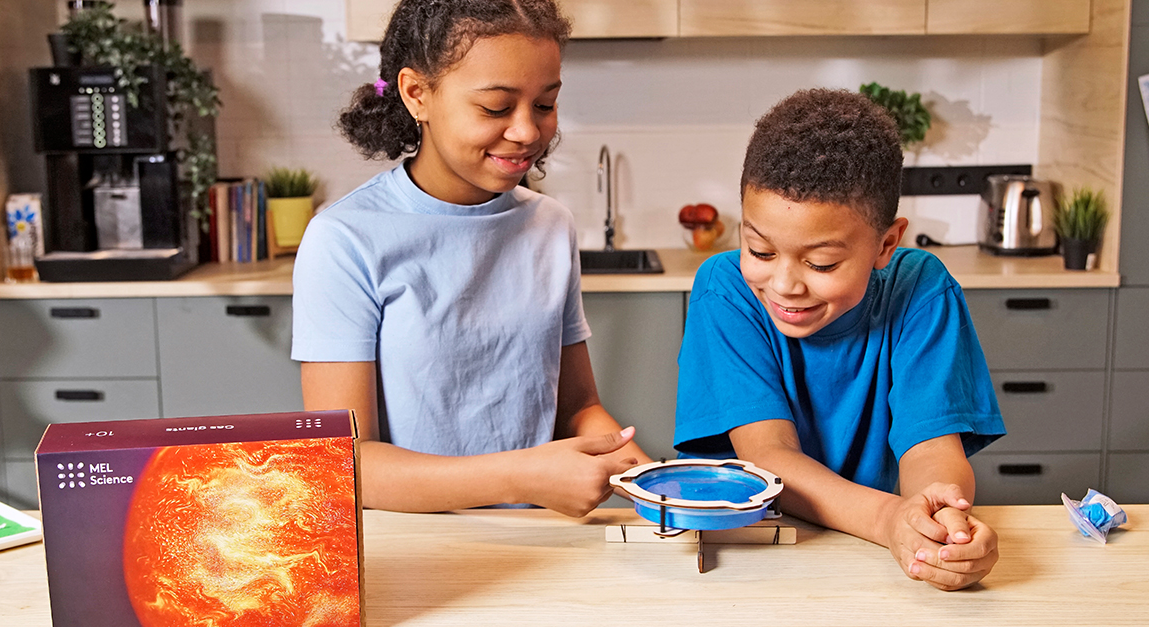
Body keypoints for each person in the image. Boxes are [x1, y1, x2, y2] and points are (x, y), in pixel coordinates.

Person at [292, 0, 649, 517]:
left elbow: (578, 409)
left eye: (545, 105)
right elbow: (346, 466)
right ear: (418, 94)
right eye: (497, 108)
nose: (528, 131)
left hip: (540, 535)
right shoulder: (345, 239)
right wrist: (521, 476)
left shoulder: (550, 225)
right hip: (416, 551)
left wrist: (635, 469)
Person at [674, 88, 1006, 591]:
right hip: (747, 556)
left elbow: (931, 449)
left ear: (886, 244)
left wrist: (939, 520)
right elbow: (768, 456)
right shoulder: (726, 290)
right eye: (760, 250)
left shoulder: (920, 289)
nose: (785, 285)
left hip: (861, 558)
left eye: (821, 263)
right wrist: (890, 521)